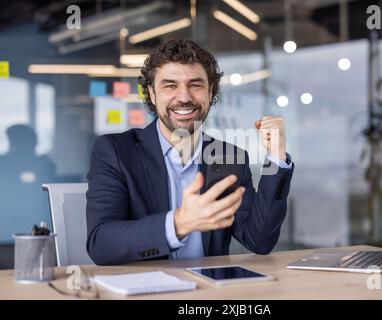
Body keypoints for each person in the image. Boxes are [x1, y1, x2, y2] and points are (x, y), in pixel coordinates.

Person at [86, 39, 294, 265]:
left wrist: (276, 157)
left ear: (210, 91)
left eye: (195, 85)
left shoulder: (228, 157)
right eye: (170, 85)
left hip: (207, 292)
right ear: (152, 94)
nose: (184, 97)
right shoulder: (115, 152)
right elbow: (101, 244)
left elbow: (259, 240)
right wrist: (180, 223)